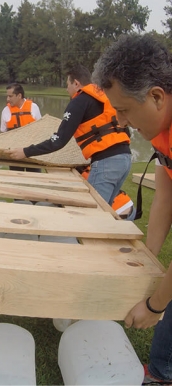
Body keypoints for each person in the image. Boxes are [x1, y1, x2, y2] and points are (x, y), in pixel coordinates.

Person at [92, 33, 172, 384]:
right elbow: (166, 188)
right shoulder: (160, 124)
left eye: (123, 110)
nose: (121, 122)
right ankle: (162, 372)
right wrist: (148, 260)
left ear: (156, 96)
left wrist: (154, 305)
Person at [8, 65, 132, 206]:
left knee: (92, 211)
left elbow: (58, 141)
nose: (67, 89)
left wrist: (25, 152)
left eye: (67, 85)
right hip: (125, 158)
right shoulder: (105, 96)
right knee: (105, 210)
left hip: (106, 162)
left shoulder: (79, 101)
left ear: (76, 83)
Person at [1, 83, 42, 173]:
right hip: (14, 152)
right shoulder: (5, 110)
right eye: (7, 96)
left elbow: (40, 129)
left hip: (32, 151)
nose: (8, 99)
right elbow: (3, 132)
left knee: (35, 177)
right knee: (15, 178)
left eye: (10, 96)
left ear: (19, 95)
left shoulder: (33, 107)